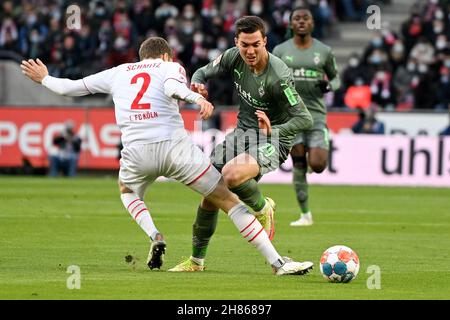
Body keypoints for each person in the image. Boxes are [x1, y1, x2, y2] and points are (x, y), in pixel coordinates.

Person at [20, 37, 313, 276]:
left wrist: (44, 78)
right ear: (166, 56)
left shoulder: (118, 72)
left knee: (127, 192)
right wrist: (196, 98)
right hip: (175, 150)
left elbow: (70, 88)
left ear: (141, 57)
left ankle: (155, 235)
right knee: (226, 200)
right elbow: (172, 88)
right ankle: (277, 263)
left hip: (136, 153)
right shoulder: (170, 68)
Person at [169, 16, 313, 272]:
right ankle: (196, 261)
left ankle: (262, 207)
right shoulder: (233, 56)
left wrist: (274, 129)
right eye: (244, 44)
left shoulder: (279, 75)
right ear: (236, 42)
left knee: (232, 175)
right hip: (242, 135)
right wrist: (199, 83)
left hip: (273, 139)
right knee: (209, 193)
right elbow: (203, 70)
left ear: (265, 42)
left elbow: (304, 118)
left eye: (256, 44)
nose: (250, 51)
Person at [272, 7, 340, 227]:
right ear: (291, 24)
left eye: (305, 18)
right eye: (296, 19)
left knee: (319, 164)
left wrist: (329, 85)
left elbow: (337, 78)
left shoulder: (324, 51)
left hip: (317, 115)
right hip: (291, 116)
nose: (301, 22)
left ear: (312, 23)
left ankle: (313, 164)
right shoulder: (280, 50)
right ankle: (305, 215)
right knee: (299, 163)